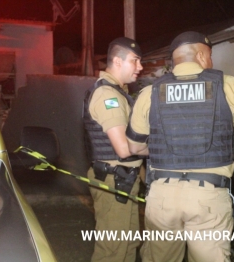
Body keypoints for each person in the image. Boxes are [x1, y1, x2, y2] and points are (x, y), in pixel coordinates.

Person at [125, 31, 234, 262]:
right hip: (208, 196)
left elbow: (133, 147)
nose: (212, 62)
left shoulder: (150, 92)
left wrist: (169, 148)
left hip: (162, 197)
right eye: (210, 56)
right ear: (201, 56)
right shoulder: (227, 85)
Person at [82, 37, 144, 262]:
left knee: (128, 245)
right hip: (114, 181)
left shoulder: (118, 93)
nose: (140, 67)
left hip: (122, 179)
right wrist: (160, 147)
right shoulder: (108, 96)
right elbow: (124, 148)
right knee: (112, 249)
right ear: (118, 61)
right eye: (135, 61)